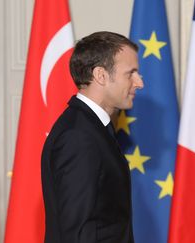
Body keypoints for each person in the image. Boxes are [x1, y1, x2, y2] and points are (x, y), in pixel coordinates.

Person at [41, 31, 144, 243]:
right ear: (101, 75)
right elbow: (78, 231)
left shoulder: (92, 128)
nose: (139, 83)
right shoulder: (79, 137)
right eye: (130, 73)